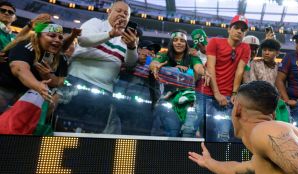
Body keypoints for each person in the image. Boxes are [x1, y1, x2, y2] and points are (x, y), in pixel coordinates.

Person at [55, 0, 138, 133]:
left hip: (104, 91)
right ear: (109, 11)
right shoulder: (95, 23)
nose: (122, 15)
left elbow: (130, 64)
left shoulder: (129, 38)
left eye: (126, 13)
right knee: (63, 128)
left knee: (92, 134)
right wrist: (110, 35)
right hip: (77, 82)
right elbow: (83, 40)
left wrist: (132, 47)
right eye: (119, 11)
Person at [195, 14, 250, 141]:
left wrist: (235, 93)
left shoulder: (245, 48)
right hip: (205, 92)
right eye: (236, 27)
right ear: (229, 29)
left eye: (243, 30)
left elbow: (239, 71)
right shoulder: (215, 42)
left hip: (226, 94)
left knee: (223, 134)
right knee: (202, 131)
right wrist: (216, 93)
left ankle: (218, 161)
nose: (239, 31)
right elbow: (210, 68)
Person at [0, 19, 67, 113]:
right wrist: (38, 85)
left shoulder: (60, 57)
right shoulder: (26, 44)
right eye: (52, 36)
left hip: (29, 92)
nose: (57, 40)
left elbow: (61, 81)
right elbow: (19, 68)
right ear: (38, 36)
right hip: (6, 86)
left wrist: (48, 76)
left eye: (60, 38)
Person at [150, 30, 208, 137]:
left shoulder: (192, 57)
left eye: (182, 41)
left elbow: (198, 67)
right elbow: (154, 63)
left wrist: (205, 72)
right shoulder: (164, 54)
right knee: (172, 133)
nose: (178, 43)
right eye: (175, 40)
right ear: (171, 42)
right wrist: (155, 66)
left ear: (186, 44)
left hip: (190, 103)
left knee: (188, 133)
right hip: (170, 102)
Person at [244, 38, 289, 123]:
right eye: (264, 50)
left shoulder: (280, 67)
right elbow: (252, 85)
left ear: (277, 53)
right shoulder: (255, 64)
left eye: (270, 50)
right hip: (259, 105)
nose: (266, 53)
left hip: (278, 105)